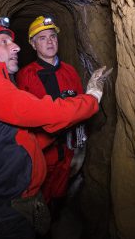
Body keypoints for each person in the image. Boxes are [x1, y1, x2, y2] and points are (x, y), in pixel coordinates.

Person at [0, 18, 111, 239]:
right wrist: (91, 98)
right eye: (4, 42)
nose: (15, 46)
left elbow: (21, 137)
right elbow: (43, 112)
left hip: (14, 206)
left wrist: (63, 136)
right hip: (2, 216)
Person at [16, 16, 88, 217]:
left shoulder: (70, 71)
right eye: (42, 38)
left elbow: (81, 108)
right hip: (43, 154)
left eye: (53, 36)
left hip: (68, 151)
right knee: (40, 203)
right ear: (32, 44)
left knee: (59, 198)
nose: (50, 41)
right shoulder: (26, 75)